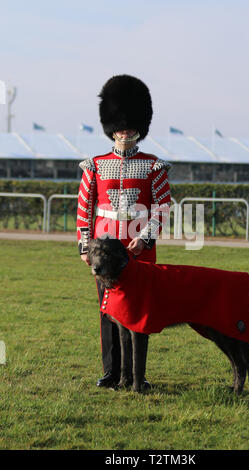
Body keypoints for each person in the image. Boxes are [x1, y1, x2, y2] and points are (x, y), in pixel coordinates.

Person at [76, 75, 172, 388]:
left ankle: (135, 375)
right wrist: (84, 247)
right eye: (119, 127)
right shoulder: (95, 164)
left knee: (137, 312)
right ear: (111, 127)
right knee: (108, 310)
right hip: (104, 250)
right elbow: (84, 210)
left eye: (129, 127)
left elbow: (162, 207)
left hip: (138, 249)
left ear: (138, 127)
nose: (124, 132)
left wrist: (145, 238)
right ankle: (112, 372)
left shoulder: (153, 166)